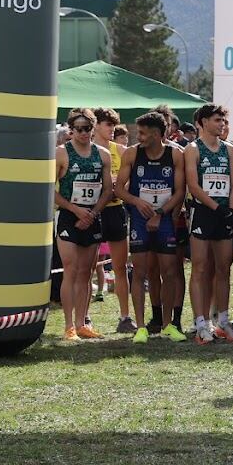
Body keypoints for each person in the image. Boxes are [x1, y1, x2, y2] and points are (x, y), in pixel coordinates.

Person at [116, 111, 187, 343]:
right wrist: (136, 201)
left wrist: (160, 213)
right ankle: (141, 327)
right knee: (140, 272)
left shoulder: (175, 155)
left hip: (164, 219)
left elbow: (180, 192)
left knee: (169, 272)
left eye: (144, 133)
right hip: (139, 220)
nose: (140, 136)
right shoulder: (132, 153)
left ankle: (167, 324)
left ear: (157, 134)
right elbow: (119, 188)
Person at [184, 103, 233, 343]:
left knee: (223, 268)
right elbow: (193, 185)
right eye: (217, 120)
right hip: (203, 211)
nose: (222, 125)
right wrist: (215, 207)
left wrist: (231, 210)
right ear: (203, 122)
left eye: (223, 121)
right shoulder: (193, 149)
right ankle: (201, 322)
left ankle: (223, 319)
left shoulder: (229, 149)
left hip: (224, 213)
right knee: (199, 267)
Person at [54, 109, 114, 340]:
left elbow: (108, 189)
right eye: (78, 129)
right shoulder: (61, 153)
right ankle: (69, 325)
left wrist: (93, 212)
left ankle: (82, 323)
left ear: (93, 128)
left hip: (93, 215)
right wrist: (75, 210)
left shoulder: (103, 154)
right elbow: (51, 190)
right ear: (71, 130)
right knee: (70, 270)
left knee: (86, 273)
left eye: (87, 128)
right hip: (69, 216)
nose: (83, 133)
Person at [92, 108, 133, 333]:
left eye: (113, 125)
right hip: (93, 211)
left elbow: (128, 185)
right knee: (86, 268)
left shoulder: (122, 151)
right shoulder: (87, 150)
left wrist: (119, 187)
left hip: (116, 210)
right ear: (96, 125)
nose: (112, 129)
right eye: (108, 125)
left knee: (120, 266)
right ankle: (84, 319)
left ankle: (125, 317)